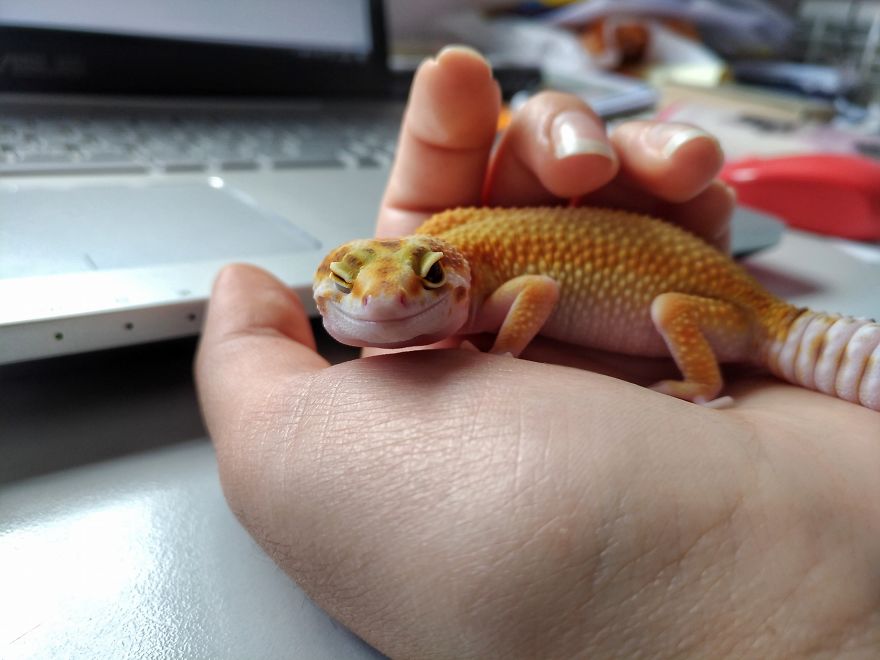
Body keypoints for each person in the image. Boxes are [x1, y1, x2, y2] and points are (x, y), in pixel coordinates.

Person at [195, 47, 879, 658]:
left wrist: (501, 357)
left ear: (456, 276)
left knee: (672, 306)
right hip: (745, 330)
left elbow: (541, 288)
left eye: (427, 280)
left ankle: (700, 382)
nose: (386, 300)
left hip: (741, 321)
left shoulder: (484, 278)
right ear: (325, 288)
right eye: (349, 284)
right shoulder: (459, 253)